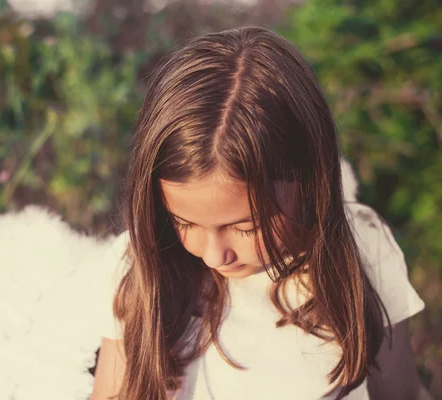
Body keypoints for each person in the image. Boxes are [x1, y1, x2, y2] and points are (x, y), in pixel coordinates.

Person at [91, 26, 427, 400]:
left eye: (246, 227)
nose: (215, 254)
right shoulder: (139, 268)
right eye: (184, 222)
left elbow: (401, 394)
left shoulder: (363, 244)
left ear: (308, 180)